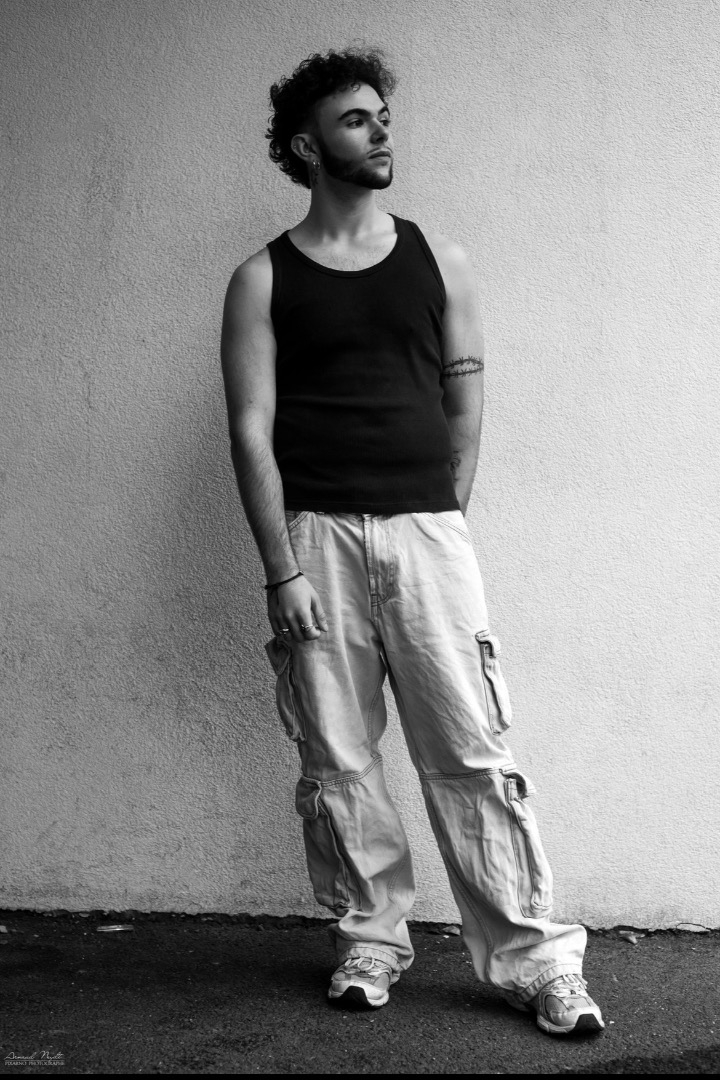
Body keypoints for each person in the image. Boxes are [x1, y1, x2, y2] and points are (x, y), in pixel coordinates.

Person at [220, 48, 604, 1037]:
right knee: (339, 758)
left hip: (427, 535)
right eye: (356, 119)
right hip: (315, 542)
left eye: (382, 114)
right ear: (308, 147)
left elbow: (465, 400)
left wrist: (441, 516)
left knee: (472, 751)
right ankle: (370, 939)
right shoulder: (262, 279)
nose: (381, 128)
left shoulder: (442, 261)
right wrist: (282, 570)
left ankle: (534, 961)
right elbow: (251, 430)